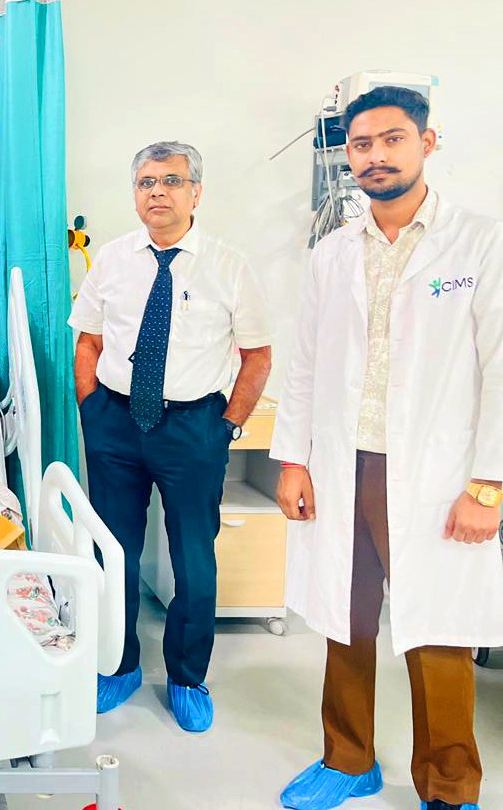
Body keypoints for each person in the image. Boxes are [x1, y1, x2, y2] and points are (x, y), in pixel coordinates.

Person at [273, 86, 503, 810]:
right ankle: (348, 760)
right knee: (344, 620)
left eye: (392, 139)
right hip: (345, 464)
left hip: (438, 472)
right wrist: (294, 459)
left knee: (440, 629)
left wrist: (489, 484)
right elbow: (305, 363)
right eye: (362, 144)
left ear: (427, 143)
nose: (376, 156)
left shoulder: (480, 242)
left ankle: (449, 785)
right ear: (348, 155)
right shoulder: (332, 252)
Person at [69, 141, 273, 733]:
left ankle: (187, 677)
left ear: (196, 193)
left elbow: (257, 355)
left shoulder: (229, 266)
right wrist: (91, 409)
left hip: (192, 428)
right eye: (146, 182)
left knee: (194, 557)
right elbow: (88, 341)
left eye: (172, 181)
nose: (157, 191)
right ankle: (120, 665)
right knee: (112, 552)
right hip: (115, 423)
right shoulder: (112, 260)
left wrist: (227, 425)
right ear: (135, 194)